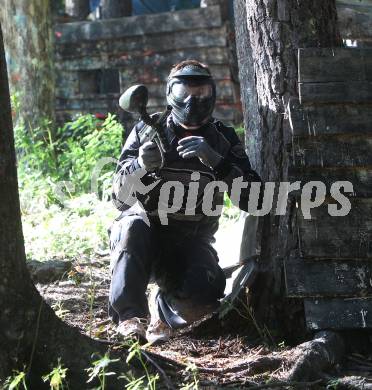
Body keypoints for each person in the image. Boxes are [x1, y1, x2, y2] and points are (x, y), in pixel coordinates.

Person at [108, 60, 261, 344]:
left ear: (212, 94)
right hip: (145, 239)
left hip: (190, 241)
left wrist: (217, 162)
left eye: (201, 92)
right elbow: (118, 199)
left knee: (206, 290)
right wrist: (140, 165)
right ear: (170, 94)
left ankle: (161, 308)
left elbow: (255, 201)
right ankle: (130, 318)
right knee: (130, 226)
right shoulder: (146, 130)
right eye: (184, 92)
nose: (193, 101)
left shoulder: (222, 138)